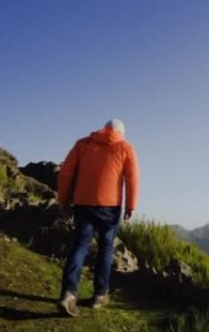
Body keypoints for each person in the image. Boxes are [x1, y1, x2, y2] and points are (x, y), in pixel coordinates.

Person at [56, 118, 139, 317]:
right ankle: (100, 294)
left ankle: (69, 292)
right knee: (106, 248)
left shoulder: (83, 144)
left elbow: (66, 173)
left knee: (80, 246)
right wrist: (131, 206)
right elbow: (133, 178)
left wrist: (63, 199)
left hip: (83, 204)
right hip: (110, 208)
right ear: (120, 133)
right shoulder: (125, 147)